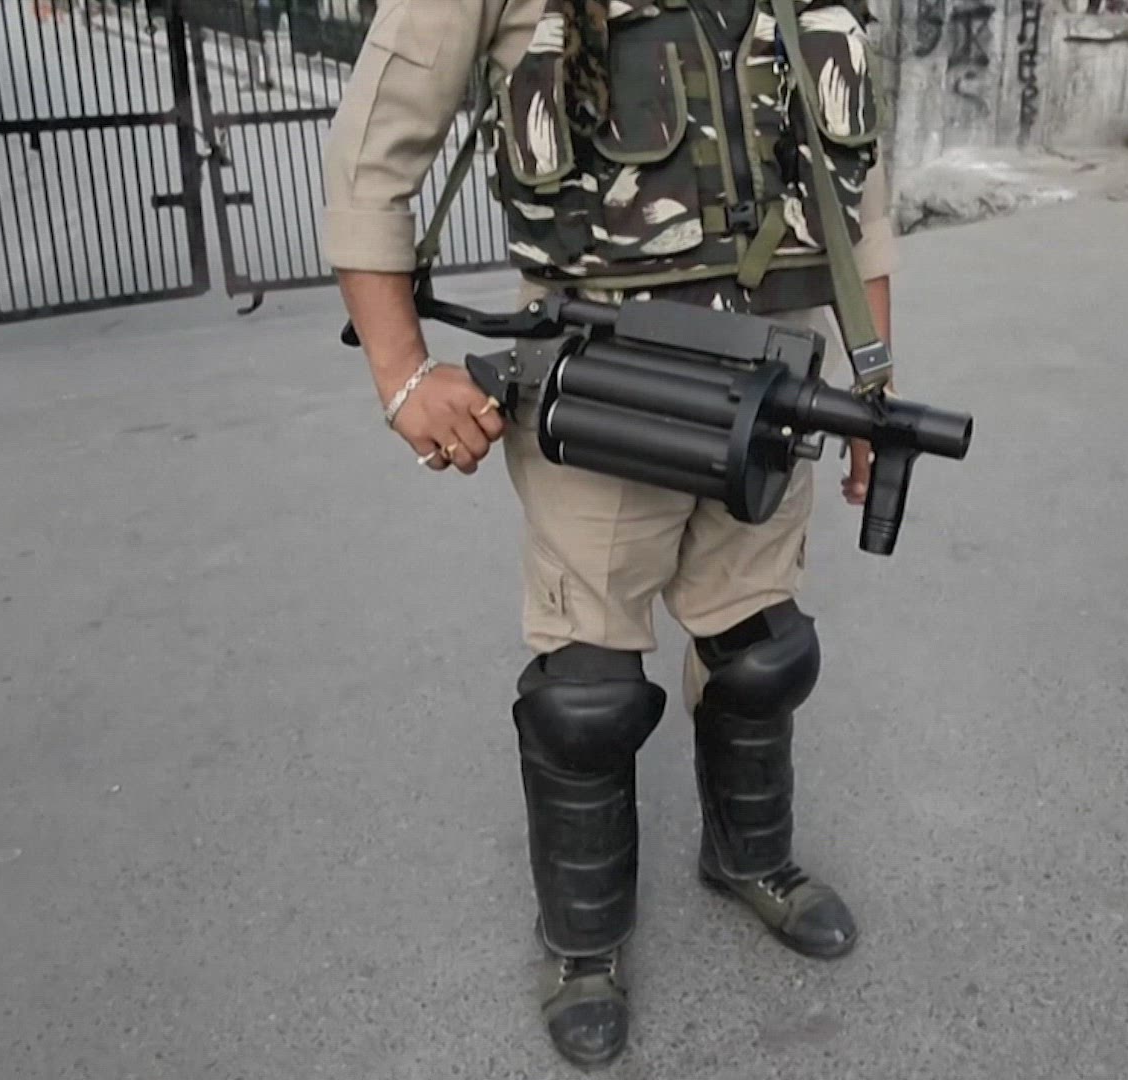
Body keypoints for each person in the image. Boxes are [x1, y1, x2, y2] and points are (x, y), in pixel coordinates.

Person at [321, 0, 897, 1065]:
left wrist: (872, 373)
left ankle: (749, 858)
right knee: (585, 692)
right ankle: (583, 944)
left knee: (761, 647)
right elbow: (370, 159)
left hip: (778, 370)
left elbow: (851, 177)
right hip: (605, 380)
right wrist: (401, 376)